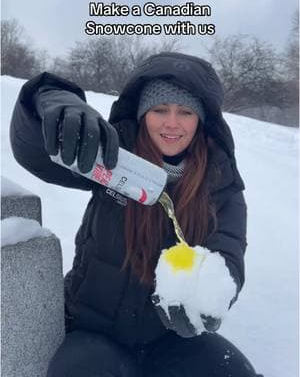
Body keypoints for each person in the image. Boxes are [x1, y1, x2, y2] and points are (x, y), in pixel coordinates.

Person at [10, 51, 263, 377]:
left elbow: (227, 254)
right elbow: (36, 152)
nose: (172, 123)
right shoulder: (113, 154)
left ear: (201, 120)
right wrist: (51, 99)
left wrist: (210, 298)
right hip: (91, 329)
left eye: (185, 112)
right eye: (160, 109)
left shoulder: (220, 182)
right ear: (143, 113)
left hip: (169, 339)